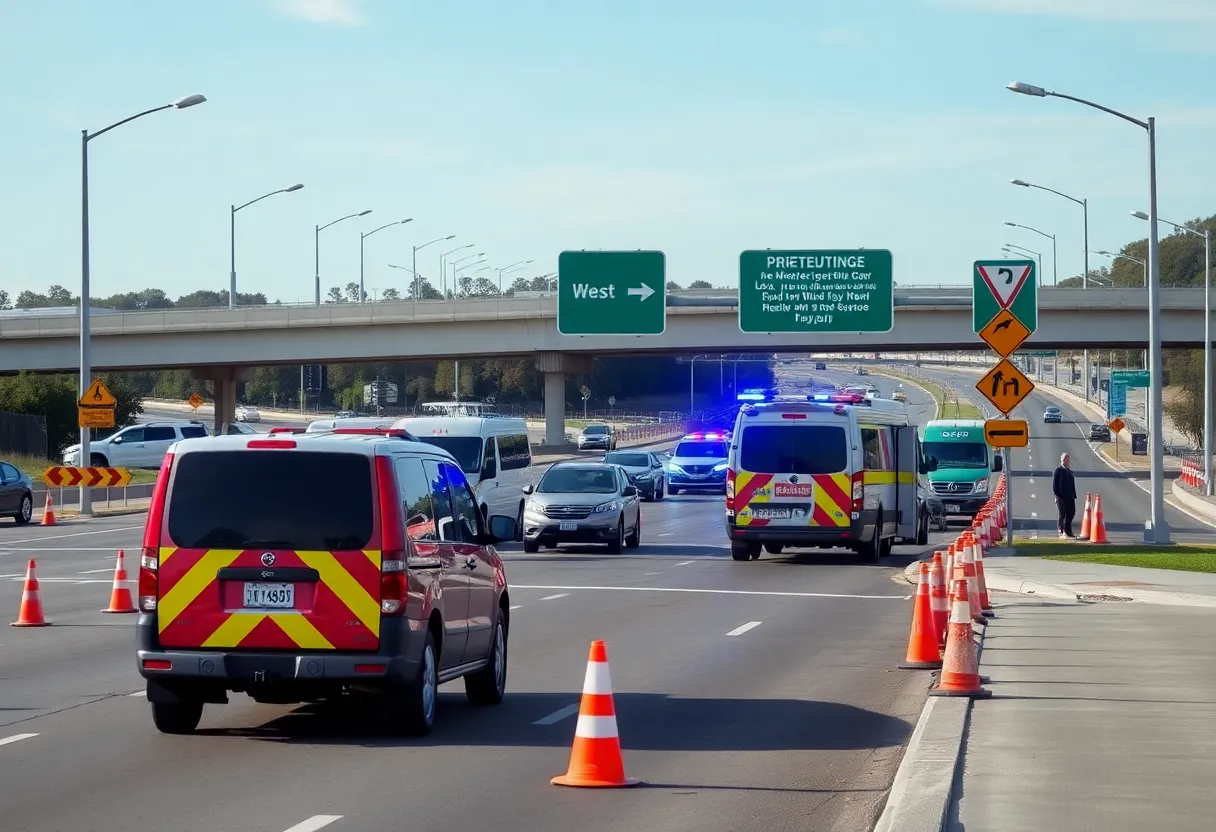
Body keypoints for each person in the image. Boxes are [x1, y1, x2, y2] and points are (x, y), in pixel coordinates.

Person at [1052, 452, 1077, 538]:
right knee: (1062, 514)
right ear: (1061, 460)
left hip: (1070, 496)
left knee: (1071, 513)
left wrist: (1074, 495)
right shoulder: (1058, 470)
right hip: (1061, 497)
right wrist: (1056, 496)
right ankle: (1061, 530)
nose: (1066, 460)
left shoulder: (1069, 471)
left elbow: (1072, 484)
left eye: (1067, 459)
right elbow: (1055, 485)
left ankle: (1068, 531)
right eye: (1064, 458)